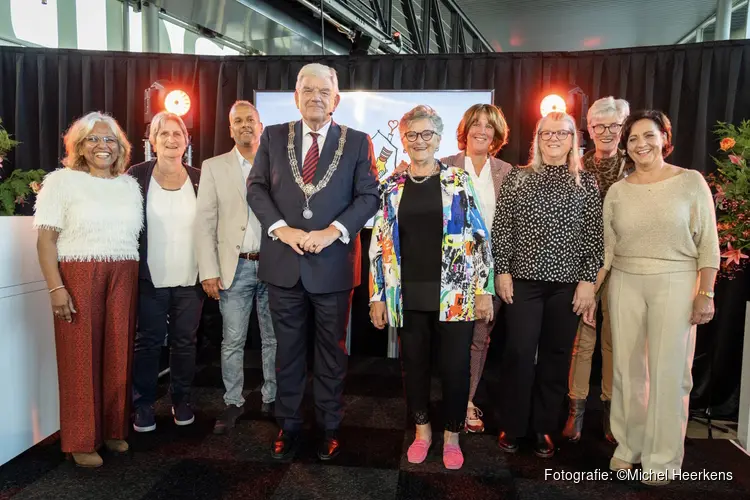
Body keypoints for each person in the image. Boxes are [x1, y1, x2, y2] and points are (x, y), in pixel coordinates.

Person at [247, 63, 379, 461]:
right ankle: (288, 426)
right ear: (296, 97)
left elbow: (369, 197)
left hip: (334, 265)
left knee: (331, 353)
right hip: (283, 264)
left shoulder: (357, 141)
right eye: (308, 90)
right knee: (286, 353)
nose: (316, 97)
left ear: (336, 100)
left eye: (324, 91)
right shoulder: (272, 137)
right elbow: (256, 189)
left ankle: (330, 426)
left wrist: (332, 231)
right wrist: (280, 229)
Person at [369, 105, 494, 470]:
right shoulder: (390, 185)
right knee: (415, 366)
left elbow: (479, 236)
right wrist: (377, 295)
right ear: (403, 139)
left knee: (455, 368)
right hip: (406, 294)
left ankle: (452, 435)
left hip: (455, 294)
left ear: (439, 140)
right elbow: (380, 243)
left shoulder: (458, 180)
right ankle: (423, 433)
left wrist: (483, 288)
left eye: (427, 134)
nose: (419, 141)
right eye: (412, 135)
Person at [602, 110, 719, 485]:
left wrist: (705, 292)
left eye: (649, 136)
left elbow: (709, 246)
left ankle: (663, 459)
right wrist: (591, 290)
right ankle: (629, 445)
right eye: (633, 138)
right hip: (624, 280)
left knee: (669, 374)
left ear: (664, 138)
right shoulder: (618, 191)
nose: (641, 144)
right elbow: (607, 248)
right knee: (627, 371)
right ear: (626, 146)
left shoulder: (690, 182)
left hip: (677, 279)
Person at [34, 112, 142, 468]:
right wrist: (56, 288)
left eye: (109, 139)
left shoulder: (129, 185)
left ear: (120, 146)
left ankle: (113, 429)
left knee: (118, 352)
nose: (102, 146)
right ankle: (80, 440)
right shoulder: (61, 182)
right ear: (78, 146)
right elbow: (46, 241)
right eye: (93, 139)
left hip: (124, 269)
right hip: (79, 271)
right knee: (79, 357)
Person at [492, 112, 603, 458]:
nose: (553, 138)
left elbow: (594, 238)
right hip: (522, 282)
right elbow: (502, 229)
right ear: (537, 139)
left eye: (561, 132)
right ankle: (514, 424)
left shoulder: (587, 183)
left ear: (574, 139)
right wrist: (502, 271)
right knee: (519, 353)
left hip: (567, 286)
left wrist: (587, 282)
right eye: (546, 133)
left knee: (556, 357)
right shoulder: (517, 178)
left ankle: (543, 428)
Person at [195, 100, 277, 434]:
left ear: (260, 126)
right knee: (232, 340)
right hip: (235, 267)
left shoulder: (278, 164)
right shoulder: (213, 167)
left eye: (251, 120)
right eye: (238, 121)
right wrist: (208, 270)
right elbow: (204, 222)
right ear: (230, 129)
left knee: (274, 338)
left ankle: (272, 397)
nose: (245, 125)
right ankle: (233, 402)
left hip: (274, 267)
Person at [127, 111, 204, 433]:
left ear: (187, 141)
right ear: (152, 142)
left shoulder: (200, 178)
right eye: (164, 134)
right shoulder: (136, 176)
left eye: (178, 134)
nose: (172, 140)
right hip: (150, 277)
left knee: (185, 342)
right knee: (148, 342)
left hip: (191, 277)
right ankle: (142, 404)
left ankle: (181, 399)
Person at [563, 96, 630, 444]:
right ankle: (575, 412)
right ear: (588, 129)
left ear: (622, 128)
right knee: (581, 340)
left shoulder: (636, 165)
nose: (606, 132)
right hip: (583, 265)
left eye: (613, 126)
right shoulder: (576, 166)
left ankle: (611, 414)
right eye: (598, 126)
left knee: (614, 340)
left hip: (624, 265)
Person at [441, 103, 511, 433]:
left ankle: (467, 403)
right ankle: (450, 398)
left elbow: (510, 226)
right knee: (450, 342)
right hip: (450, 272)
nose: (482, 130)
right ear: (465, 128)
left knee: (479, 340)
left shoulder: (507, 172)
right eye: (476, 124)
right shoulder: (443, 166)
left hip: (490, 271)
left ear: (497, 134)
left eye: (489, 126)